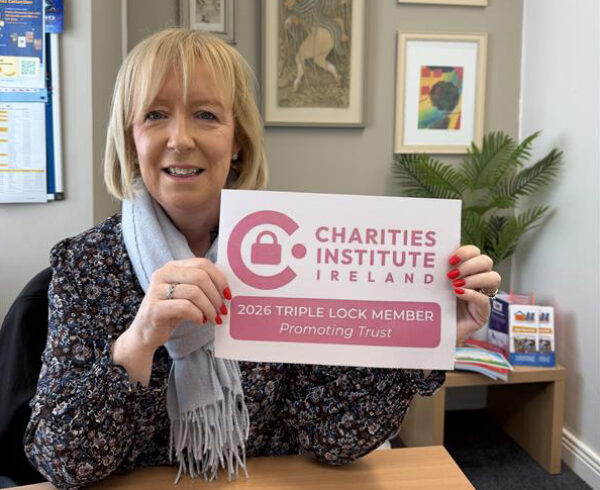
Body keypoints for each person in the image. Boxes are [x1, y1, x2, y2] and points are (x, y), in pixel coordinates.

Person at [24, 28, 501, 489]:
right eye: (155, 115)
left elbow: (332, 438)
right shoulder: (85, 264)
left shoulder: (294, 248)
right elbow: (61, 461)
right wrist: (140, 340)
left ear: (238, 140)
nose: (180, 138)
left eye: (206, 115)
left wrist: (421, 338)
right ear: (130, 138)